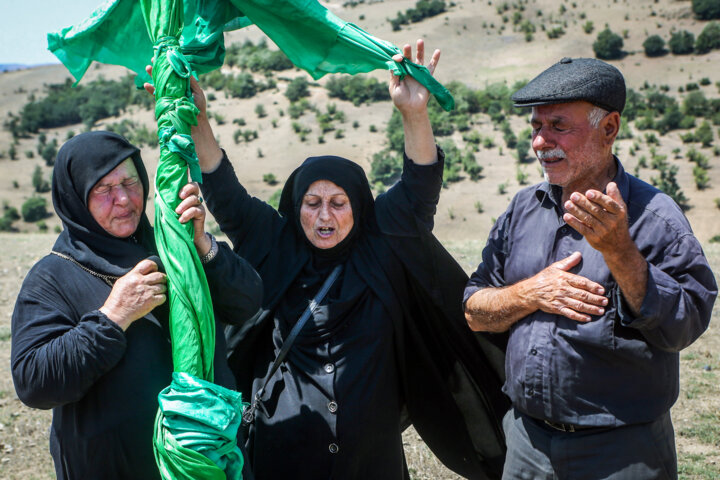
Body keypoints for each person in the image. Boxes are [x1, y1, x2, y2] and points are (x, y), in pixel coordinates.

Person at [164, 40, 509, 479]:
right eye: (312, 203)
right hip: (282, 455)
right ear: (295, 206)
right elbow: (223, 188)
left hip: (371, 462)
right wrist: (200, 121)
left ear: (358, 206)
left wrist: (414, 114)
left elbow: (419, 183)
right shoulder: (275, 241)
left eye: (338, 202)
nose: (324, 215)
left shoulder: (382, 242)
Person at [464, 57, 717, 480]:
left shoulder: (656, 218)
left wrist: (620, 252)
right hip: (528, 446)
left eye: (558, 125)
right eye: (535, 127)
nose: (540, 142)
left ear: (610, 128)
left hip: (621, 453)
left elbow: (685, 326)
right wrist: (530, 293)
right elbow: (474, 309)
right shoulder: (522, 209)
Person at [11, 131, 262, 480]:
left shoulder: (173, 246)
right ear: (75, 199)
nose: (124, 199)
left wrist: (202, 246)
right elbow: (33, 382)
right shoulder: (53, 276)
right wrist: (113, 316)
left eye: (130, 181)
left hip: (207, 463)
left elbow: (248, 302)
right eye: (103, 189)